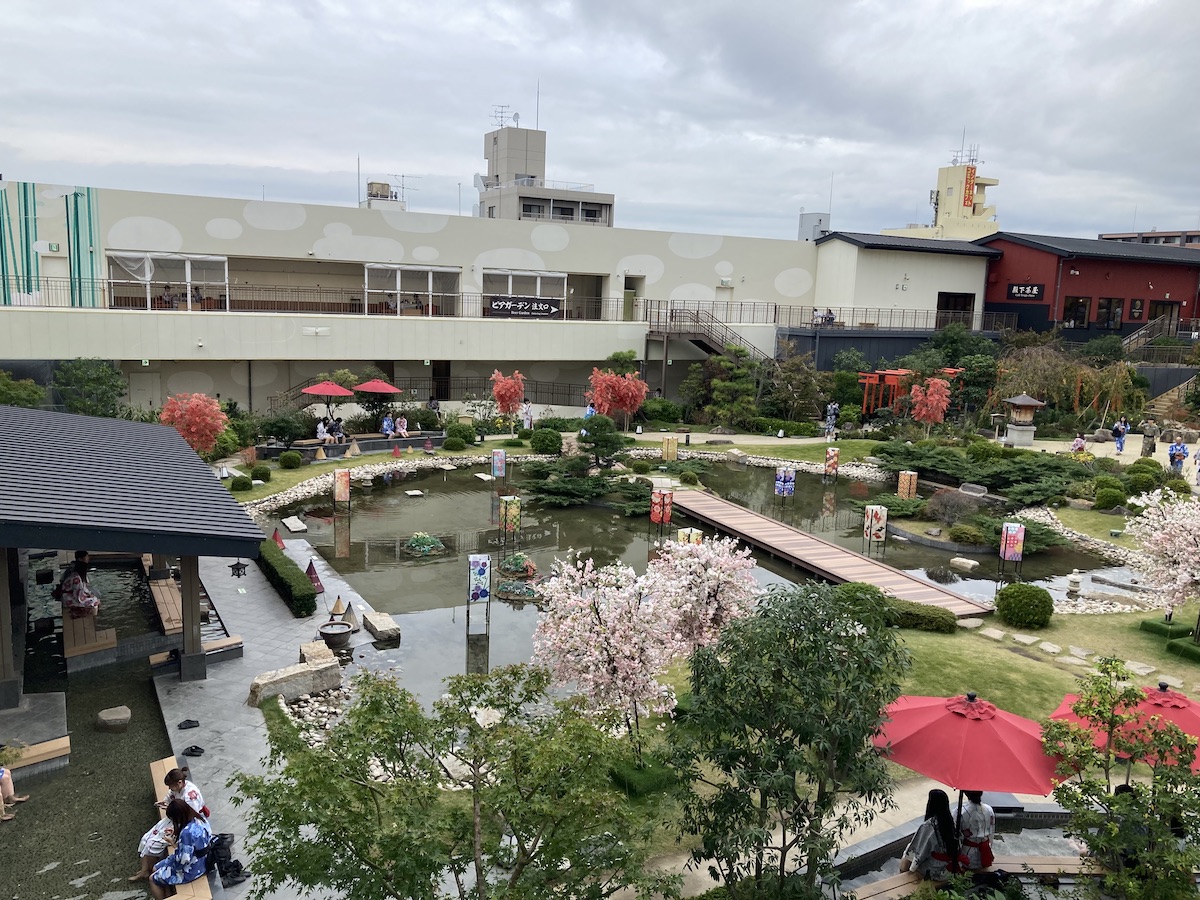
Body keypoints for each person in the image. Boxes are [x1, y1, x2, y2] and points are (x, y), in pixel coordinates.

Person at [130, 768, 208, 881]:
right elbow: (170, 796)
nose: (170, 788)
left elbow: (190, 817)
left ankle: (150, 870)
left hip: (184, 822)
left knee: (152, 844)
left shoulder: (191, 797)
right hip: (175, 818)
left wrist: (175, 831)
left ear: (179, 782)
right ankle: (144, 870)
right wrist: (166, 802)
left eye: (171, 786)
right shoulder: (178, 787)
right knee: (146, 838)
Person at [149, 798, 212, 898]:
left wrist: (172, 843)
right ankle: (168, 894)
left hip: (193, 868)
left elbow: (183, 861)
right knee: (155, 868)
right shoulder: (199, 819)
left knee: (153, 879)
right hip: (203, 859)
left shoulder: (186, 834)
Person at [900, 789, 966, 882]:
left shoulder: (929, 826)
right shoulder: (952, 823)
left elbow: (919, 853)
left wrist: (911, 869)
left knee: (908, 851)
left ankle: (902, 877)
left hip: (935, 872)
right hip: (952, 867)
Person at [959, 790, 996, 871]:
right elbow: (992, 832)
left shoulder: (960, 811)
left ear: (966, 793)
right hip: (985, 853)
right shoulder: (989, 809)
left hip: (967, 856)